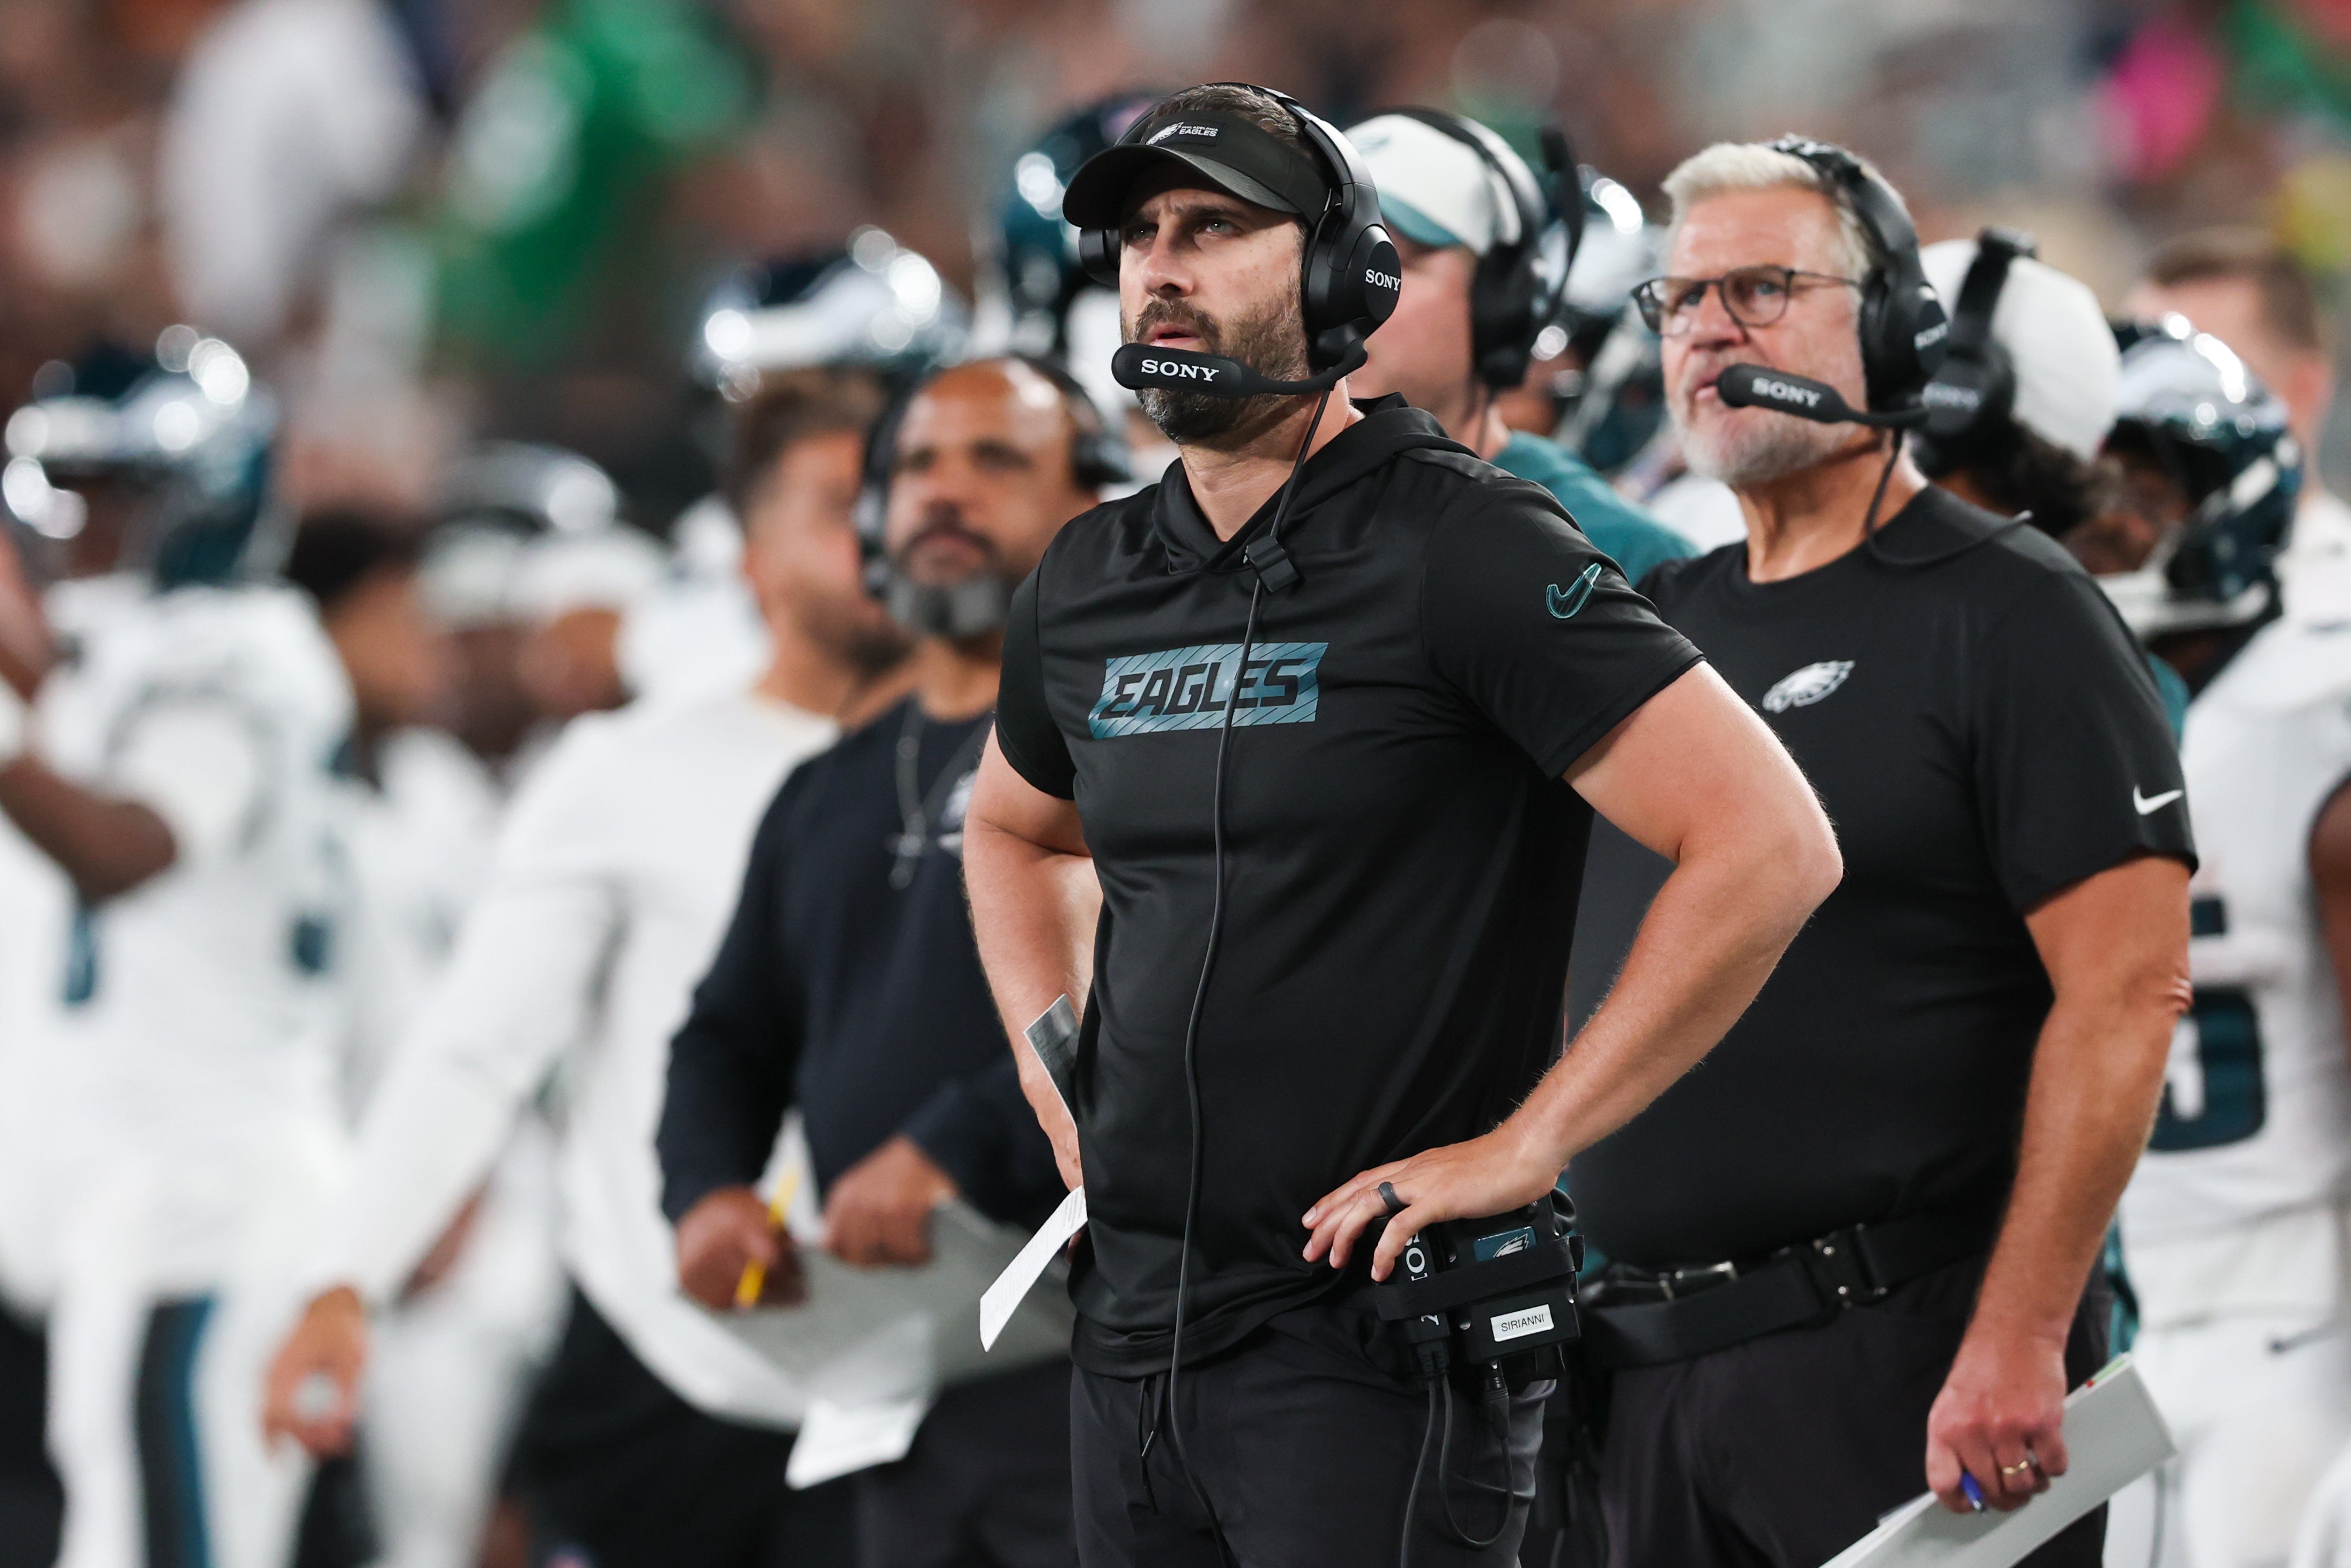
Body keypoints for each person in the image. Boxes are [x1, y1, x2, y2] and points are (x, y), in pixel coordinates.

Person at [966, 82, 1840, 1567]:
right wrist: (1062, 1068)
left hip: (1372, 1354)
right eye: (1141, 235)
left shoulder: (1465, 542)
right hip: (1129, 1342)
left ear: (1339, 275)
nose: (1161, 266)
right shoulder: (1090, 573)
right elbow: (1014, 829)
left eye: (1215, 228)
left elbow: (1769, 838)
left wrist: (1533, 1137)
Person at [1562, 138, 2195, 1566]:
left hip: (1907, 1366)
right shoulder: (1655, 625)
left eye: (1764, 287)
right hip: (1640, 1376)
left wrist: (2023, 1332)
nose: (1712, 328)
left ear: (1899, 329)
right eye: (1681, 302)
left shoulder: (2014, 611)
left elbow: (2126, 990)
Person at [261, 366, 911, 1568]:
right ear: (749, 557)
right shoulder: (625, 774)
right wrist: (348, 1274)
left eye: (896, 491)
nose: (880, 527)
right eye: (837, 502)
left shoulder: (1011, 771)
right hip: (666, 1387)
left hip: (916, 1387)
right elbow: (480, 1042)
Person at [658, 355, 1121, 1568]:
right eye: (915, 465)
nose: (943, 492)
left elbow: (1156, 995)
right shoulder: (825, 789)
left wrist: (952, 1150)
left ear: (1093, 505)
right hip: (892, 1382)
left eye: (996, 460)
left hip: (1094, 1366)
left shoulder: (1133, 736)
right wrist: (705, 1191)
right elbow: (725, 1037)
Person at [0, 333, 361, 1568]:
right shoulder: (125, 661)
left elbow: (129, 845)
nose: (83, 524)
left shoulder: (239, 661)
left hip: (210, 1206)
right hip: (137, 1212)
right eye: (71, 488)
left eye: (116, 490)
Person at [2088, 321, 2351, 1568]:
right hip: (2104, 1313)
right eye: (2095, 490)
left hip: (2286, 1313)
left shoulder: (2314, 705)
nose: (2118, 524)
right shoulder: (2060, 698)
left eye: (2150, 489)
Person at [281, 511, 567, 1568]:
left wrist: (461, 1178)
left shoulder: (435, 790)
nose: (424, 649)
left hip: (481, 1222)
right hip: (342, 1221)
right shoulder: (289, 805)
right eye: (395, 620)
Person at [1344, 107, 1695, 585]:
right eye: (1324, 258)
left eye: (1393, 259)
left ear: (1502, 302)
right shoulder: (1233, 517)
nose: (1344, 292)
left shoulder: (1620, 556)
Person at [2127, 228, 2350, 604]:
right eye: (2136, 368)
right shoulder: (2084, 590)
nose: (2149, 413)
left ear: (2303, 389)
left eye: (2197, 381)